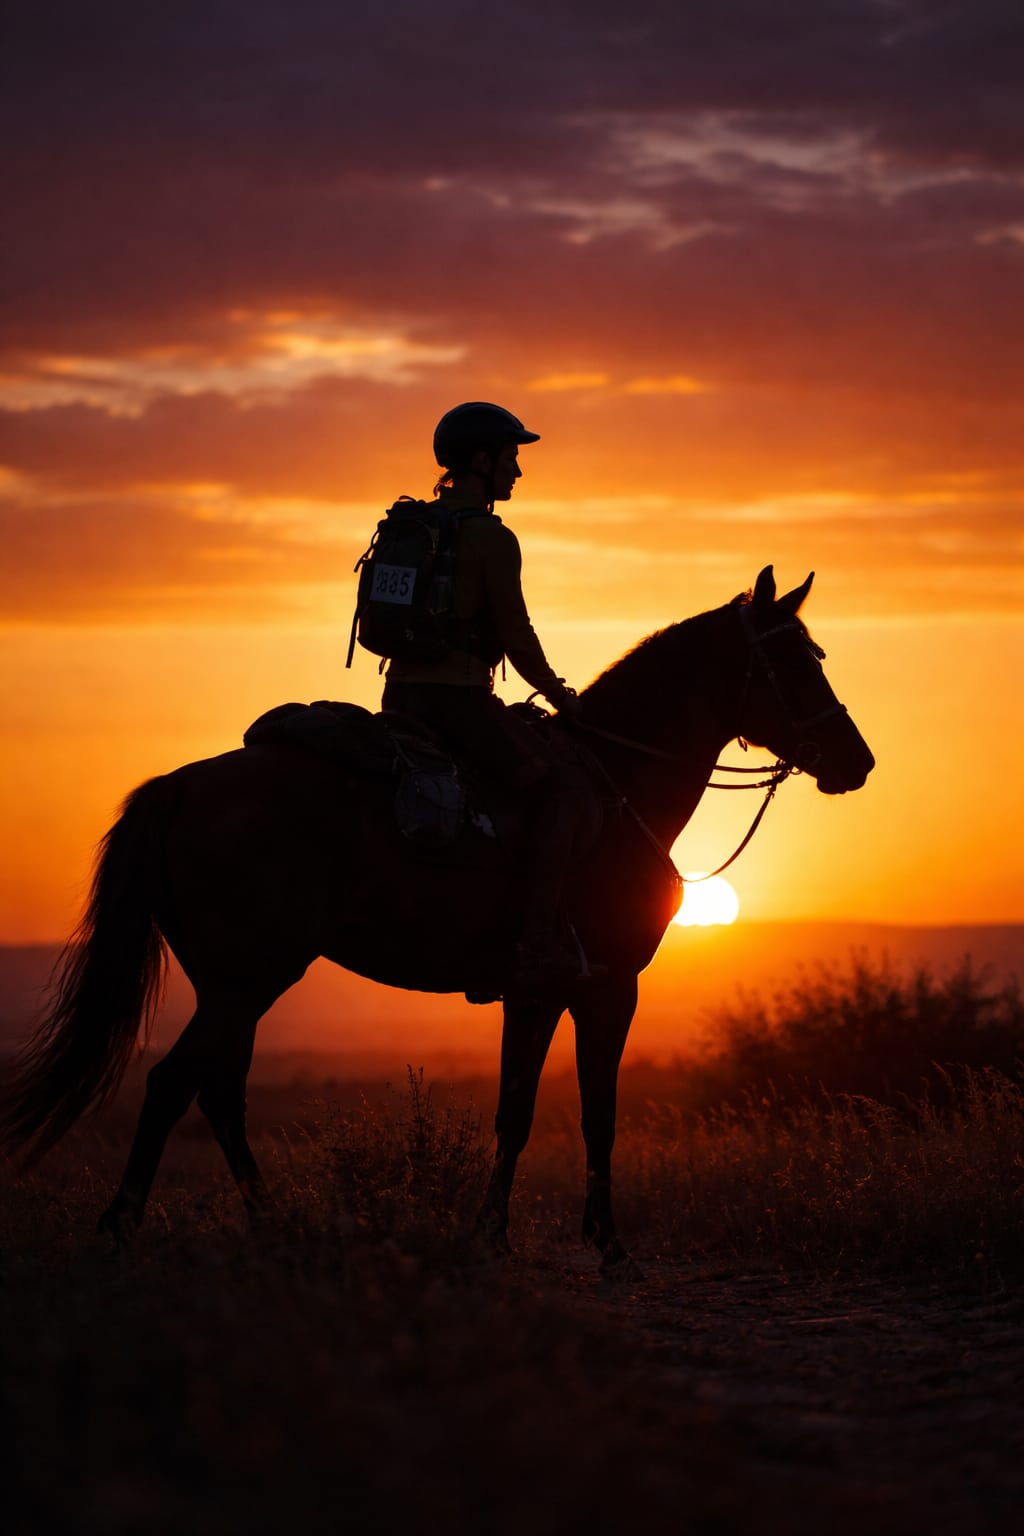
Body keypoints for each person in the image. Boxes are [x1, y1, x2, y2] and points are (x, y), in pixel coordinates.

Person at [381, 401, 593, 990]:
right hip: (460, 703)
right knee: (560, 792)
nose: (517, 471)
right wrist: (559, 696)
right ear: (481, 460)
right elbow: (515, 634)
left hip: (399, 699)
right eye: (511, 457)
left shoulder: (413, 527)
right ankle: (535, 943)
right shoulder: (490, 539)